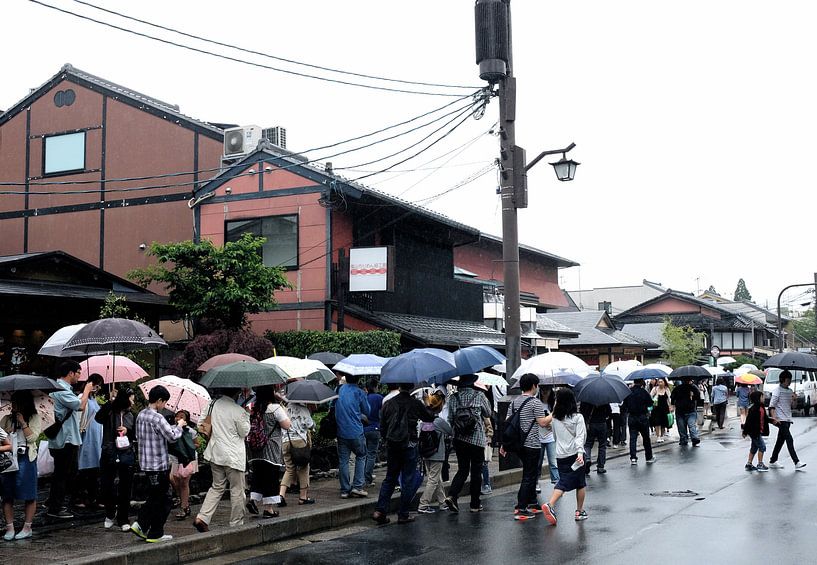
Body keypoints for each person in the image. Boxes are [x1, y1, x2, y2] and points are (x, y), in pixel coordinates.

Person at [372, 382, 435, 525]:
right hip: (409, 444)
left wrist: (387, 440)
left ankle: (380, 510)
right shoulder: (415, 403)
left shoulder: (389, 403)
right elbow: (429, 418)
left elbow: (383, 426)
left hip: (393, 445)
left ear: (399, 386)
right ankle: (403, 513)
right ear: (411, 387)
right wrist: (428, 403)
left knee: (390, 478)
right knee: (407, 479)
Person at [131, 385, 185, 543]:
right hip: (158, 464)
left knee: (155, 496)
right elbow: (172, 437)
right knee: (164, 499)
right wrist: (180, 426)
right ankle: (153, 531)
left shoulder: (141, 415)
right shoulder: (157, 417)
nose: (165, 406)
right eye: (164, 402)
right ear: (159, 400)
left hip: (146, 464)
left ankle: (143, 526)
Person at [193, 388, 252, 532]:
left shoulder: (211, 404)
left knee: (217, 486)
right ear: (237, 393)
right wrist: (247, 416)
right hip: (233, 456)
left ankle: (203, 517)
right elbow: (244, 432)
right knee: (237, 490)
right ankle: (236, 523)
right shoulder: (239, 411)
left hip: (215, 452)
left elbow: (200, 424)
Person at [47, 360, 94, 519]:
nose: (80, 376)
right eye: (78, 373)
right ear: (71, 373)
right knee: (63, 475)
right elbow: (79, 406)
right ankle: (56, 508)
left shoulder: (58, 389)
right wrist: (87, 390)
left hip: (62, 438)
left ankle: (53, 503)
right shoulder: (61, 390)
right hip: (65, 439)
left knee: (62, 474)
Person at [501, 373, 548, 521]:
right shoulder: (535, 403)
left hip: (519, 444)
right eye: (537, 385)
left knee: (531, 473)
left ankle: (532, 502)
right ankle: (521, 507)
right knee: (529, 475)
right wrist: (552, 415)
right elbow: (542, 422)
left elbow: (508, 422)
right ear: (534, 386)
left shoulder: (514, 402)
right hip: (532, 444)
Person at [444, 374, 492, 513]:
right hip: (476, 439)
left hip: (459, 439)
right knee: (476, 472)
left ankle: (452, 495)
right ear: (473, 383)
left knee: (462, 469)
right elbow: (488, 412)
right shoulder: (479, 395)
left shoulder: (453, 398)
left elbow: (451, 419)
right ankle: (475, 504)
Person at [541, 388, 588, 525]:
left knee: (565, 480)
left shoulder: (555, 418)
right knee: (579, 483)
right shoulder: (578, 417)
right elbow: (580, 437)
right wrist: (580, 453)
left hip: (560, 455)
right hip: (575, 455)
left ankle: (576, 510)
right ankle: (555, 505)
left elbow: (554, 436)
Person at [245, 386, 291, 519]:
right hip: (271, 447)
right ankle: (269, 510)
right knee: (270, 477)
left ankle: (253, 500)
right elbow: (287, 425)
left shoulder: (251, 407)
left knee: (258, 475)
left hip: (254, 448)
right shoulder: (275, 408)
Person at [1, 390, 41, 540]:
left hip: (26, 457)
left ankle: (27, 527)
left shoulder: (34, 418)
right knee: (7, 493)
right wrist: (6, 432)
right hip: (9, 458)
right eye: (13, 402)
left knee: (29, 493)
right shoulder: (6, 419)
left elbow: (33, 438)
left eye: (17, 402)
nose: (14, 405)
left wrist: (23, 423)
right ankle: (9, 527)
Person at [95, 386, 136, 531]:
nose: (132, 401)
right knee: (106, 485)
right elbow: (98, 418)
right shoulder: (110, 412)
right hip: (109, 451)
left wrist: (127, 431)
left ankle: (123, 518)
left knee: (125, 486)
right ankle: (110, 512)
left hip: (126, 452)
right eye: (130, 398)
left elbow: (136, 434)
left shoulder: (131, 415)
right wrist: (109, 402)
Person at [335, 374, 370, 499]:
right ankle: (358, 486)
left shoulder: (338, 390)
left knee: (343, 460)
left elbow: (332, 406)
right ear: (358, 379)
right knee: (361, 455)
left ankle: (345, 490)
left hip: (341, 431)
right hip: (356, 431)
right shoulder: (359, 392)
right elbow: (367, 411)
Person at [417, 392, 453, 514]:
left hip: (426, 453)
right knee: (433, 479)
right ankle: (423, 504)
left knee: (436, 479)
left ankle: (442, 502)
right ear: (439, 406)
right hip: (437, 453)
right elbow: (450, 431)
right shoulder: (438, 421)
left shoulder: (424, 420)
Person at [279, 400, 316, 506]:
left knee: (289, 469)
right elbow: (310, 424)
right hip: (299, 441)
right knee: (303, 467)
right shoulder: (303, 409)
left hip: (286, 441)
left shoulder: (283, 409)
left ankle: (281, 495)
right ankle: (303, 497)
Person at [75, 373, 104, 510]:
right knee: (84, 466)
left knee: (94, 468)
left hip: (96, 437)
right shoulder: (83, 397)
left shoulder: (95, 400)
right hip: (86, 436)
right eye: (96, 385)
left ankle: (93, 497)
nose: (97, 388)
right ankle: (81, 497)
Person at [768, 370, 806, 470]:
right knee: (789, 439)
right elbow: (771, 406)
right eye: (787, 380)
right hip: (781, 420)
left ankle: (773, 460)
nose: (789, 382)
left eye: (790, 379)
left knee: (780, 441)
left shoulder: (790, 391)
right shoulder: (777, 391)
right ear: (782, 380)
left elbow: (793, 406)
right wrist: (774, 418)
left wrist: (794, 399)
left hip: (788, 419)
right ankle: (796, 462)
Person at [169, 410, 200, 520]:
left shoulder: (190, 431)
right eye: (177, 416)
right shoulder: (171, 429)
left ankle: (183, 508)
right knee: (173, 479)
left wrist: (188, 447)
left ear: (186, 419)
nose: (178, 418)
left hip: (188, 459)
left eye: (181, 417)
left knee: (184, 483)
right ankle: (184, 502)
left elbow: (197, 444)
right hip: (175, 459)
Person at [622, 379, 655, 465]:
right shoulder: (644, 392)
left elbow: (624, 405)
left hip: (632, 417)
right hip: (642, 417)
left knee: (633, 438)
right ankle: (648, 456)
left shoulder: (628, 392)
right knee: (646, 438)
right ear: (641, 382)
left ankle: (633, 458)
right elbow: (650, 403)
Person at [537, 386, 558, 491]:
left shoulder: (554, 405)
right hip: (539, 436)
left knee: (553, 461)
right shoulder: (537, 403)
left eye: (547, 390)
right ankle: (536, 482)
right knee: (538, 462)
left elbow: (558, 419)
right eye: (543, 390)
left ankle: (557, 482)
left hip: (550, 436)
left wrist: (552, 425)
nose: (545, 392)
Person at [580, 402, 611, 474]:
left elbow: (582, 411)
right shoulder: (603, 398)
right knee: (602, 445)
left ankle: (587, 459)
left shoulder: (585, 399)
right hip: (602, 423)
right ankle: (601, 466)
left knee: (587, 444)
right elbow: (609, 411)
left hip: (590, 424)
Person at [363, 379, 383, 488]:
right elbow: (383, 413)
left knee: (363, 455)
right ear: (375, 387)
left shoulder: (364, 398)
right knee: (371, 455)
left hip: (363, 429)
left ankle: (361, 477)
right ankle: (368, 478)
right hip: (375, 428)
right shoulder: (379, 398)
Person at [743, 390, 770, 471]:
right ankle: (760, 464)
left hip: (758, 431)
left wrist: (773, 421)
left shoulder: (762, 408)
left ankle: (749, 463)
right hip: (755, 432)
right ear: (758, 398)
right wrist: (745, 431)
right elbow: (748, 421)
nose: (764, 398)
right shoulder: (754, 409)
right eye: (762, 396)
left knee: (754, 448)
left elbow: (765, 419)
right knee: (762, 447)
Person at [670, 378, 701, 447]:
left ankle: (684, 439)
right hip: (689, 410)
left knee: (682, 427)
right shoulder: (692, 387)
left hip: (681, 410)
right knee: (691, 425)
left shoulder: (678, 388)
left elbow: (672, 398)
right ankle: (694, 438)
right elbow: (698, 396)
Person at [649, 378, 671, 443]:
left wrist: (671, 406)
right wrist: (655, 397)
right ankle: (658, 436)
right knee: (657, 422)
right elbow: (650, 396)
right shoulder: (655, 389)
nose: (660, 383)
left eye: (661, 382)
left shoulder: (667, 389)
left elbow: (669, 399)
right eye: (659, 382)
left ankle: (661, 436)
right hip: (656, 408)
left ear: (664, 382)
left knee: (663, 423)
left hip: (665, 408)